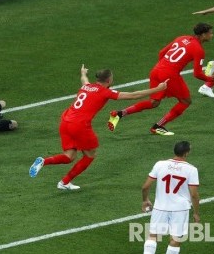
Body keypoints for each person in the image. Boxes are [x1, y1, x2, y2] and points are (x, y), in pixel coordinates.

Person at [29, 65, 168, 190]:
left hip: (65, 122)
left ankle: (43, 161)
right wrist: (158, 89)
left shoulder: (86, 86)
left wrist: (83, 73)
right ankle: (64, 182)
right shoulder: (105, 92)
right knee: (90, 155)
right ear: (109, 80)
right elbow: (133, 95)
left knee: (69, 156)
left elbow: (84, 80)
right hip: (79, 126)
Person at [108, 23, 214, 136]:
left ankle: (118, 114)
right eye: (210, 33)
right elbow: (197, 74)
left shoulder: (181, 38)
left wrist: (164, 67)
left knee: (154, 102)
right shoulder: (199, 50)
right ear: (203, 35)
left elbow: (161, 53)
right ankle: (158, 126)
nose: (212, 35)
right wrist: (210, 79)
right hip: (170, 75)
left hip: (156, 70)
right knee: (185, 102)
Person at [141, 141, 200, 254]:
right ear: (186, 153)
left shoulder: (160, 164)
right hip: (180, 209)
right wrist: (196, 213)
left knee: (153, 236)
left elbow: (145, 187)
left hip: (160, 207)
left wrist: (145, 200)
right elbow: (194, 194)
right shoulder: (191, 170)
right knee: (175, 240)